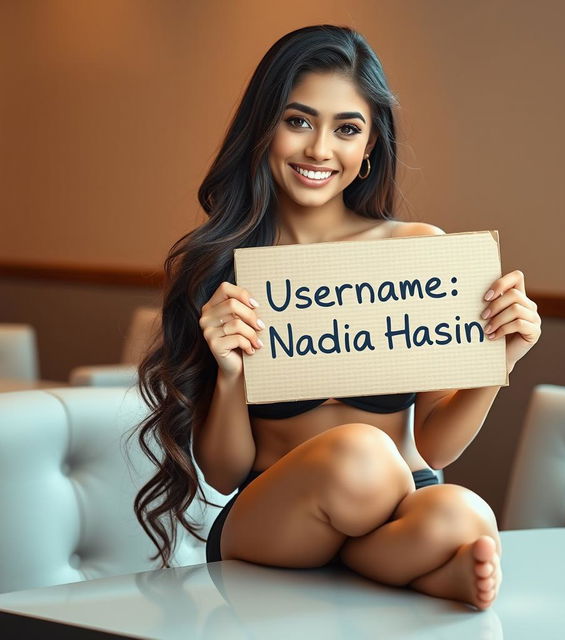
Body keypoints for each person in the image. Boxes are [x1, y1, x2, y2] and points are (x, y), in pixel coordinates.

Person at [131, 25, 542, 612]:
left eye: (346, 129)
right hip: (273, 520)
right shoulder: (220, 268)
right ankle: (412, 570)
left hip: (402, 500)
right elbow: (222, 476)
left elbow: (435, 445)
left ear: (370, 145)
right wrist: (228, 373)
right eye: (298, 121)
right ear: (264, 127)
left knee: (465, 513)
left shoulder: (418, 251)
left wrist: (496, 362)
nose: (320, 150)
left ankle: (377, 561)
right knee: (361, 456)